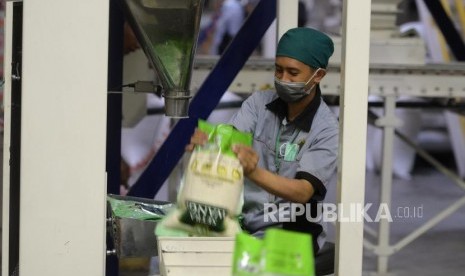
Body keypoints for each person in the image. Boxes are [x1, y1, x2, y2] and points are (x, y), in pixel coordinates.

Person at [187, 27, 338, 255]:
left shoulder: (326, 127)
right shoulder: (259, 103)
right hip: (248, 221)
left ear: (317, 76)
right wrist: (211, 143)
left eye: (293, 73)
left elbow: (302, 192)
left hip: (294, 231)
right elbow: (230, 137)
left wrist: (252, 171)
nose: (283, 79)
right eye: (278, 70)